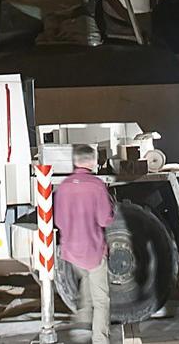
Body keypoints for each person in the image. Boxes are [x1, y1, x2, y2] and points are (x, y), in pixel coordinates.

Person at [54, 144, 114, 344]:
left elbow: (60, 221)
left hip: (71, 250)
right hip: (93, 250)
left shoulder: (64, 186)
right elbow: (105, 219)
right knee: (102, 301)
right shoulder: (96, 185)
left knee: (86, 278)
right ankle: (100, 339)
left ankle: (82, 317)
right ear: (91, 161)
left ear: (75, 161)